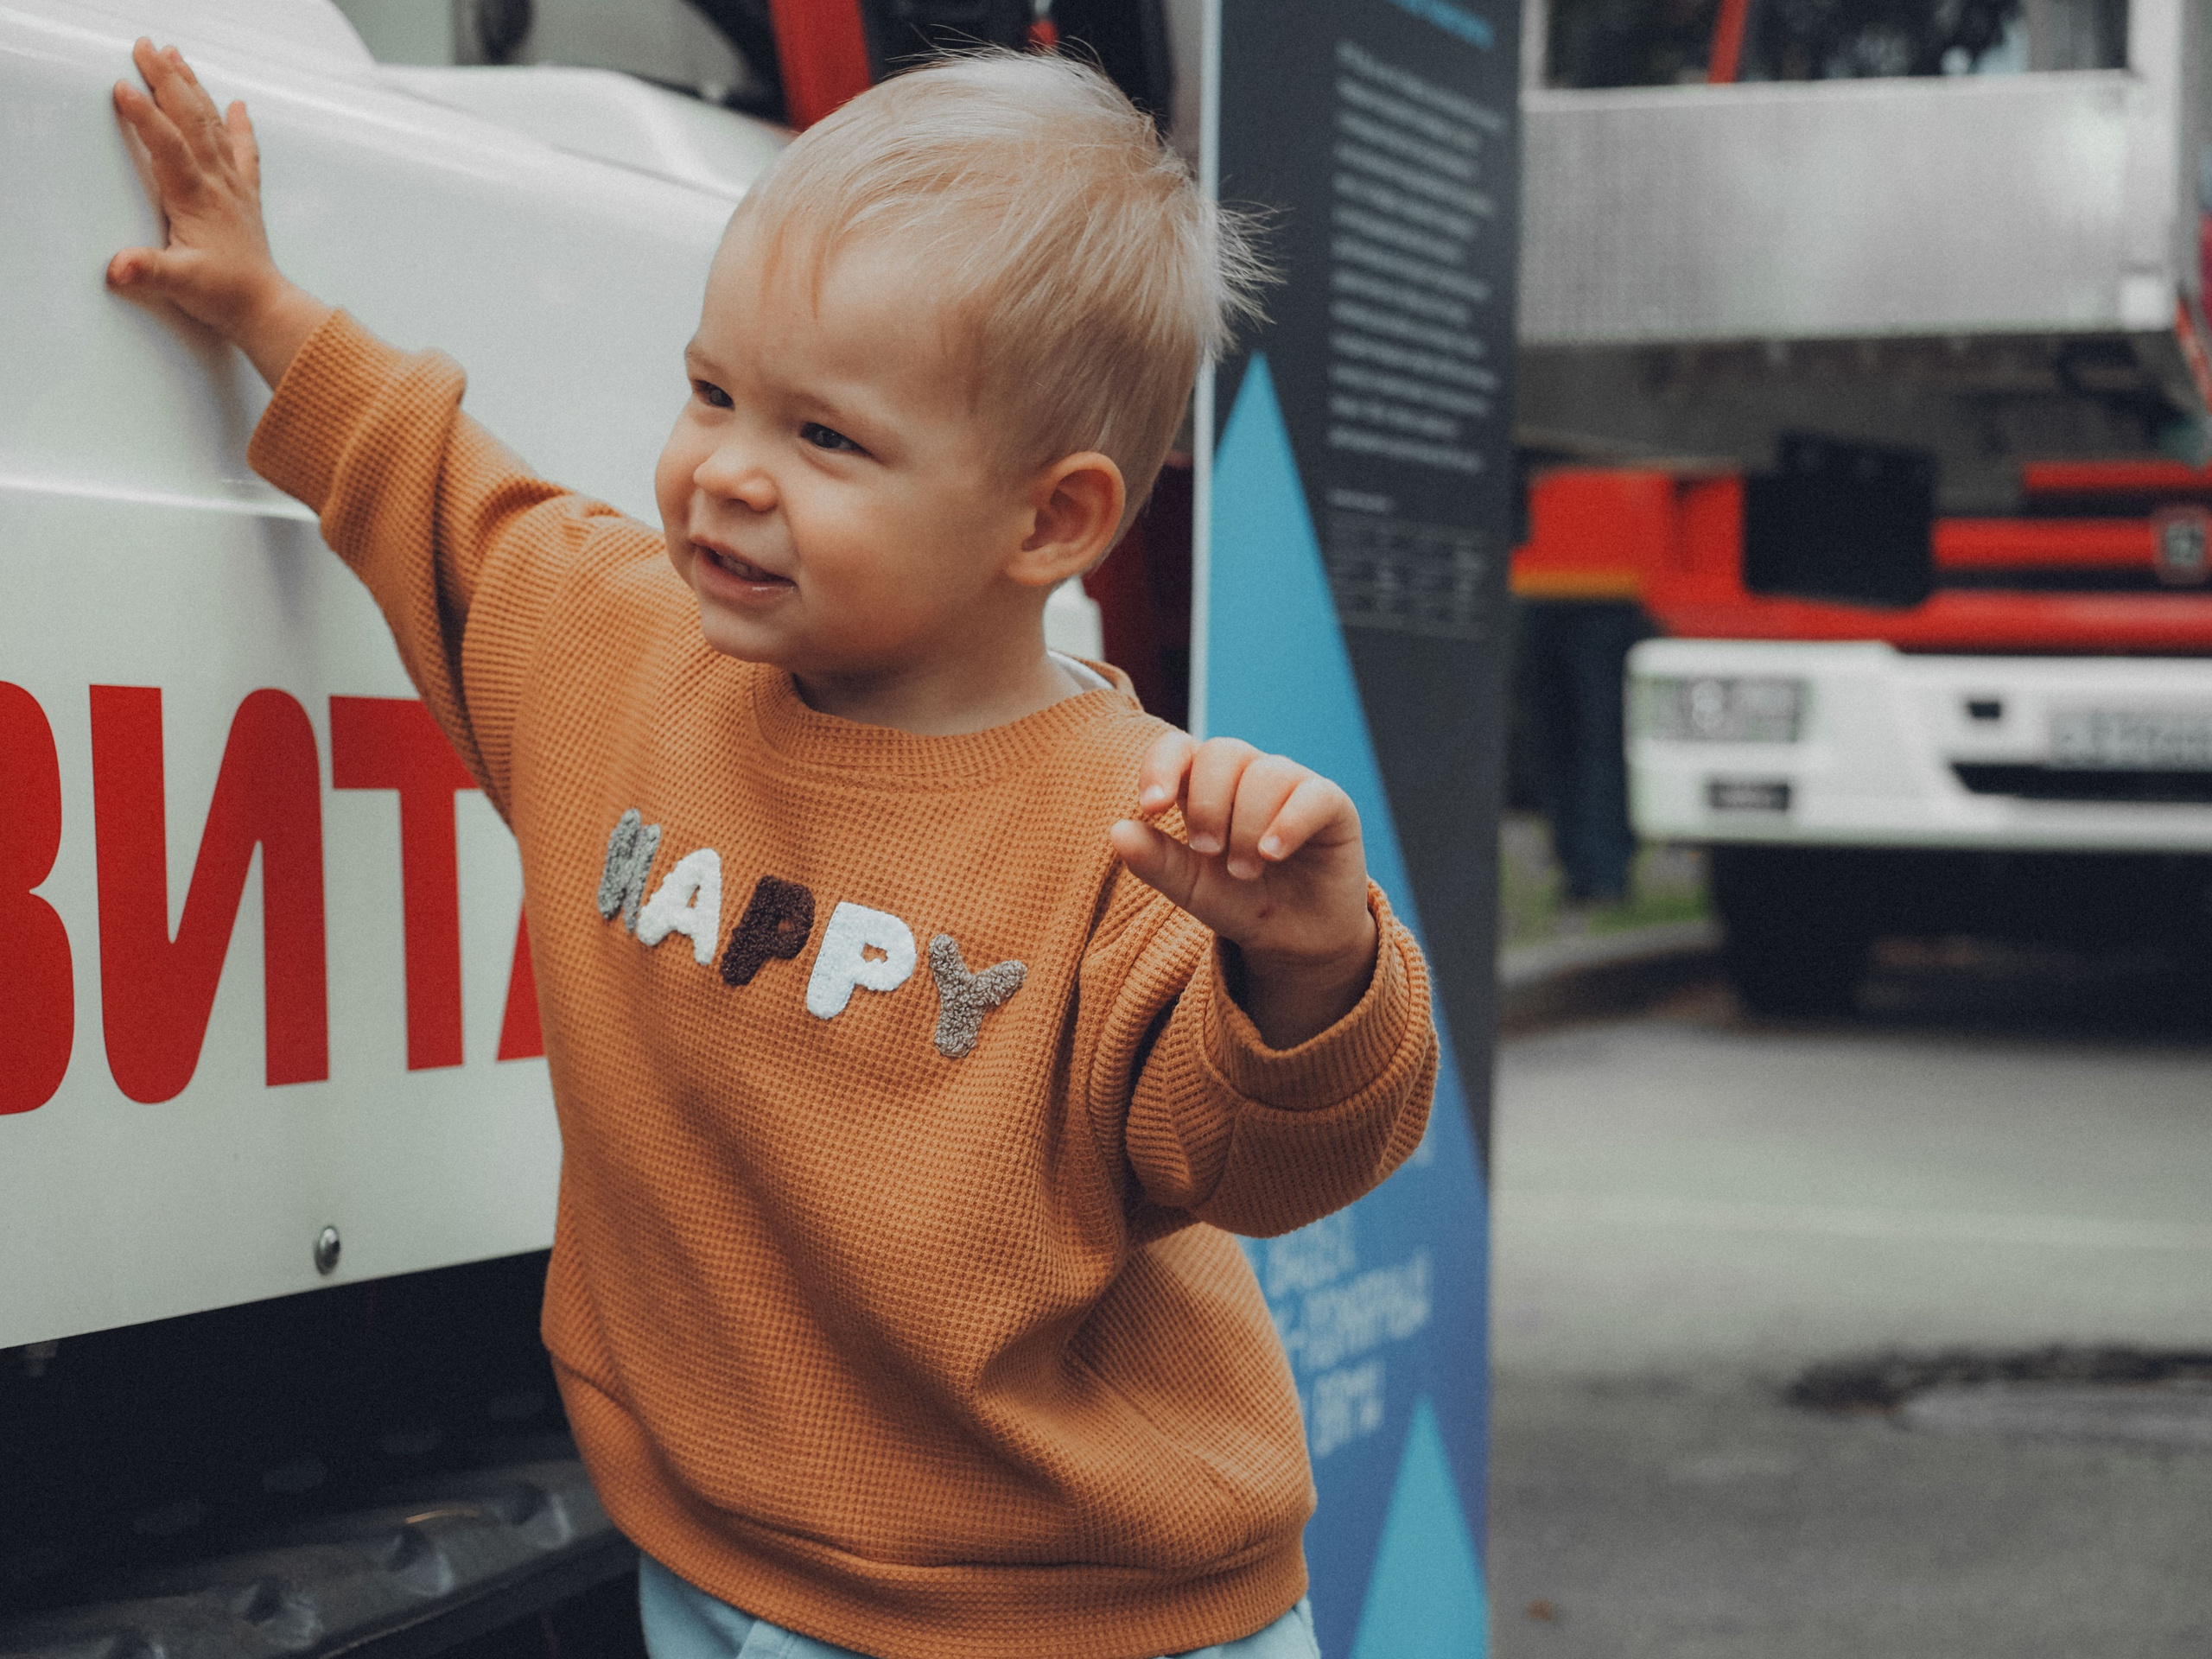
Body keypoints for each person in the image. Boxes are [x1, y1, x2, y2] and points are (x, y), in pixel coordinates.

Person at [106, 36, 1437, 1659]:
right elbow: (427, 477)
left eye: (828, 440)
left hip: (1080, 1607)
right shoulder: (613, 655)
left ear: (1053, 523)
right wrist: (256, 300)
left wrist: (1310, 961)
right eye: (713, 390)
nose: (726, 470)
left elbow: (1273, 1168)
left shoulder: (1133, 841)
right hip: (728, 1556)